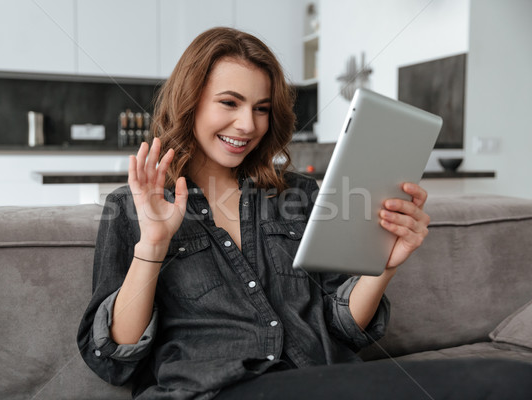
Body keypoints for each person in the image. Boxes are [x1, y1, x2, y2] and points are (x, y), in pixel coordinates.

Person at [77, 27, 532, 400]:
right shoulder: (132, 205)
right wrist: (154, 244)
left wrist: (383, 267)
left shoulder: (299, 194)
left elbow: (344, 327)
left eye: (260, 109)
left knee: (510, 379)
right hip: (213, 390)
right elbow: (114, 356)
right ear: (190, 101)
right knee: (504, 382)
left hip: (321, 380)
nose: (247, 125)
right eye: (229, 103)